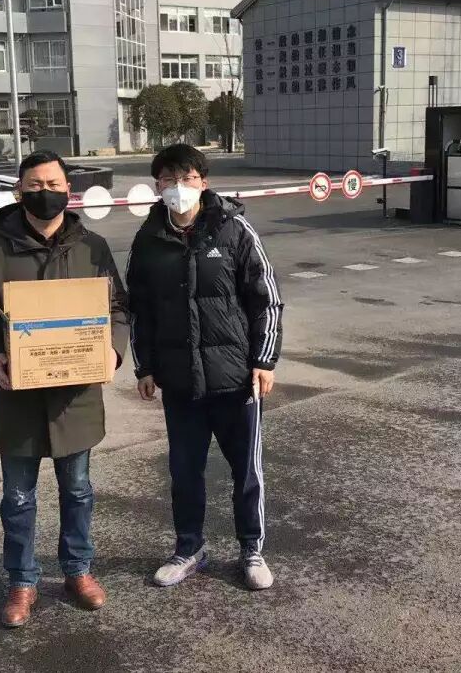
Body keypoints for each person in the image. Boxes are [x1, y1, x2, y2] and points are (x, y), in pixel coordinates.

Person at [0, 151, 129, 627]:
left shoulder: (92, 247)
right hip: (18, 396)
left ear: (68, 189)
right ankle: (22, 580)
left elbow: (117, 307)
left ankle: (78, 570)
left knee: (78, 491)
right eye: (34, 185)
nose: (44, 193)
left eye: (53, 184)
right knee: (17, 498)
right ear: (19, 192)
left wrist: (112, 351)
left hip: (75, 398)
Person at [126, 144, 283, 592]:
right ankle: (188, 549)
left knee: (246, 472)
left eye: (187, 178)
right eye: (168, 179)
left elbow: (266, 299)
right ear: (157, 186)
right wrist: (144, 367)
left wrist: (264, 359)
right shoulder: (148, 239)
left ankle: (251, 549)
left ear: (203, 182)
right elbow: (139, 310)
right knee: (184, 472)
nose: (178, 187)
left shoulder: (234, 229)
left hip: (236, 381)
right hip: (180, 383)